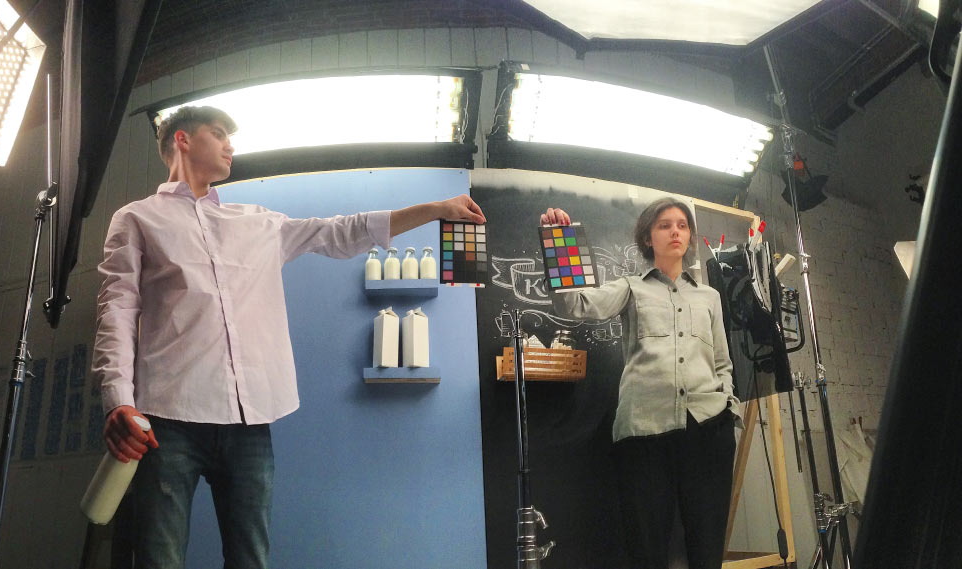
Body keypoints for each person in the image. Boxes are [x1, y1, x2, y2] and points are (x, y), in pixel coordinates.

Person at [91, 105, 485, 569]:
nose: (231, 145)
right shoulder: (137, 219)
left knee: (251, 561)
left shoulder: (258, 221)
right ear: (182, 139)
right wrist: (118, 399)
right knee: (159, 561)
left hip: (250, 421)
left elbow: (339, 232)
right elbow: (117, 309)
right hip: (166, 419)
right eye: (218, 133)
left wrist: (435, 210)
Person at [540, 200, 741, 569]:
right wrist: (559, 242)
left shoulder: (710, 297)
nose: (675, 231)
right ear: (649, 238)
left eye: (682, 225)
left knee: (707, 547)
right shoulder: (631, 288)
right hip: (645, 431)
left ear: (690, 236)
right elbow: (573, 306)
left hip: (707, 428)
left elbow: (722, 363)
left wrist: (728, 407)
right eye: (664, 225)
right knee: (645, 549)